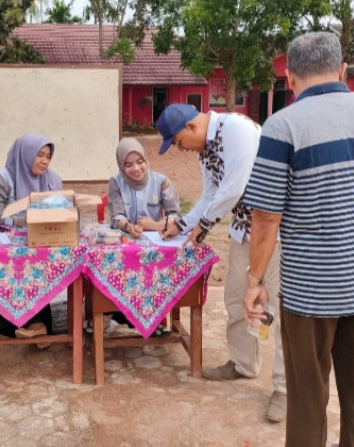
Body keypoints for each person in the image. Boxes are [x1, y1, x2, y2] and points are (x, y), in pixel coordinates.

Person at [243, 31, 354, 447]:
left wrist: (255, 281)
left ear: (290, 78)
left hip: (310, 295)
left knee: (307, 404)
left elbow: (265, 219)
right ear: (343, 70)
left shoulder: (282, 127)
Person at [157, 103, 286, 423]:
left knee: (281, 311)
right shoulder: (206, 150)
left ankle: (285, 388)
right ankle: (243, 364)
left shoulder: (236, 130)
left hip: (275, 229)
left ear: (190, 128)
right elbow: (209, 193)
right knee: (235, 299)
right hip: (245, 228)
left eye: (177, 142)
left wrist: (203, 226)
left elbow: (233, 187)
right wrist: (183, 224)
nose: (181, 149)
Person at [0, 133, 63, 345]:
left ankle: (37, 325)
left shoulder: (52, 179)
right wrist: (23, 220)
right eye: (39, 155)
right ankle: (34, 325)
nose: (44, 161)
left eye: (48, 156)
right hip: (10, 244)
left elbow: (61, 210)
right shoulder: (2, 179)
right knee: (18, 263)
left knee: (41, 261)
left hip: (43, 242)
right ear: (26, 154)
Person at [104, 137, 182, 335]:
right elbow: (116, 217)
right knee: (114, 268)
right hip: (126, 244)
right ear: (121, 166)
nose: (136, 169)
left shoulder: (162, 183)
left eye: (140, 162)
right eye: (128, 165)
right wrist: (129, 227)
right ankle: (116, 315)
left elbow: (176, 217)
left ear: (146, 160)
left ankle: (151, 319)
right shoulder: (116, 183)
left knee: (156, 269)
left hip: (155, 245)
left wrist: (154, 226)